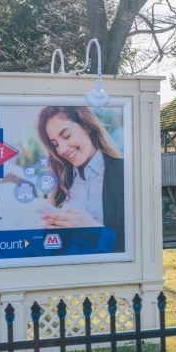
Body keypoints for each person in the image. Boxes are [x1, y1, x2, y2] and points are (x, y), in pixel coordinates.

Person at [36, 106, 124, 254]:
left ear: (87, 126)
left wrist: (94, 232)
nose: (62, 149)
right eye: (55, 144)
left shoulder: (122, 172)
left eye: (66, 135)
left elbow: (139, 242)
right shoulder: (64, 183)